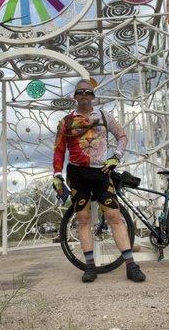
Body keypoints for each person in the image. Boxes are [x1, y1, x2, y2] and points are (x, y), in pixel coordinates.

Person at [52, 79, 146, 283]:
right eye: (80, 92)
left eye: (88, 91)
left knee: (114, 215)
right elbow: (59, 149)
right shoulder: (66, 122)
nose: (84, 94)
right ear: (75, 96)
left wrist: (116, 157)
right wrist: (57, 174)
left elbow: (122, 136)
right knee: (83, 219)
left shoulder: (104, 116)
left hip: (101, 173)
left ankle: (131, 265)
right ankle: (89, 266)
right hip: (77, 175)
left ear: (93, 96)